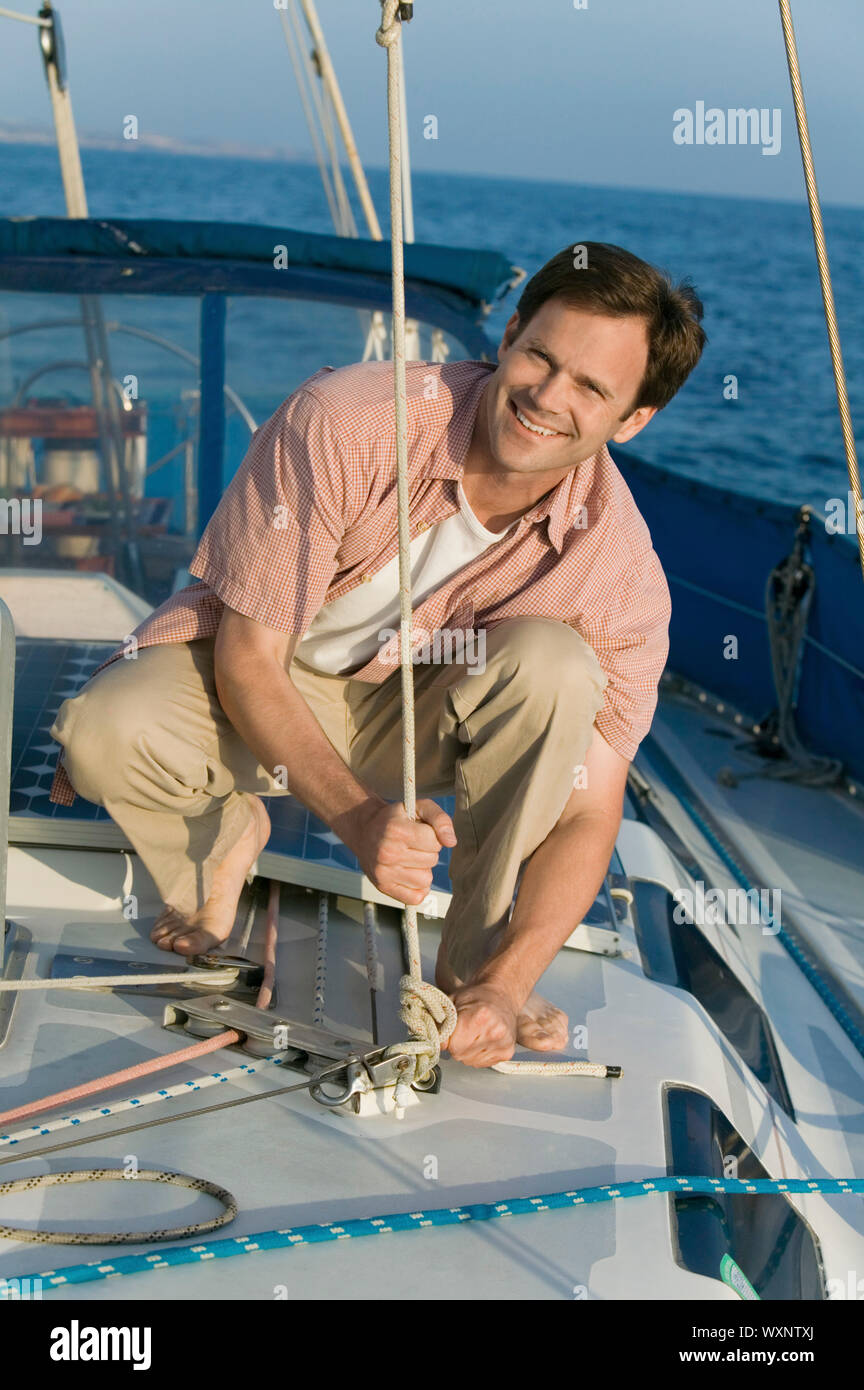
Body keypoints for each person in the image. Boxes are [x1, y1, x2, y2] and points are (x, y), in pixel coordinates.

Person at [50, 241, 706, 1069]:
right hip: (266, 677)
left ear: (634, 418)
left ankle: (479, 976)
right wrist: (361, 820)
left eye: (592, 387)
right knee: (105, 730)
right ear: (508, 336)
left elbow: (587, 809)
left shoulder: (619, 574)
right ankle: (223, 837)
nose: (546, 396)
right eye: (541, 355)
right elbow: (249, 657)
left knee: (554, 664)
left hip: (426, 719)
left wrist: (516, 979)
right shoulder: (350, 419)